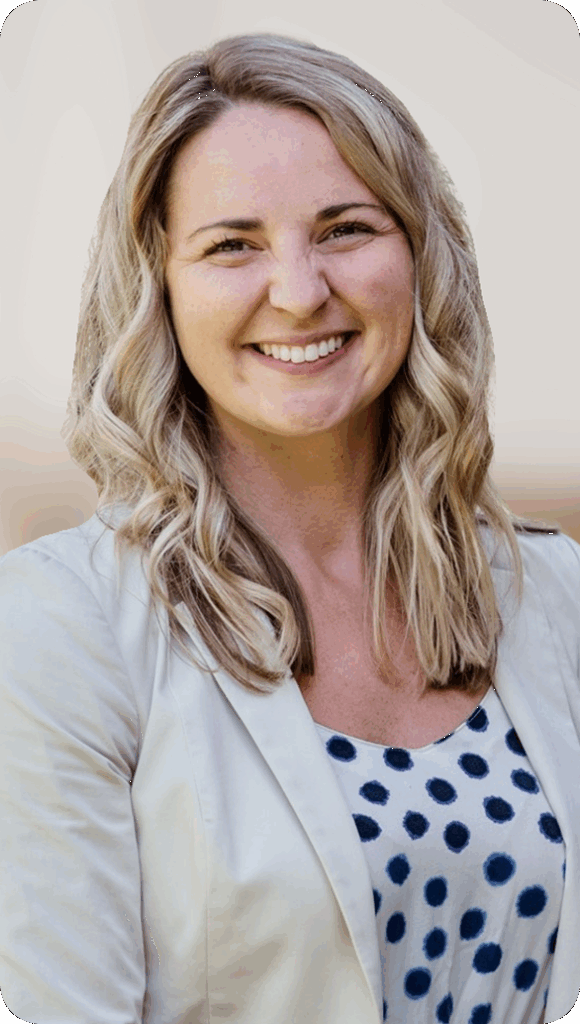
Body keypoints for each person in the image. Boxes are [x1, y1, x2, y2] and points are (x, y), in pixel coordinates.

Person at [0, 31, 578, 1024]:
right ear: (160, 284)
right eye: (233, 244)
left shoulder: (555, 595)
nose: (300, 290)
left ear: (418, 250)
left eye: (346, 228)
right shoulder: (58, 628)